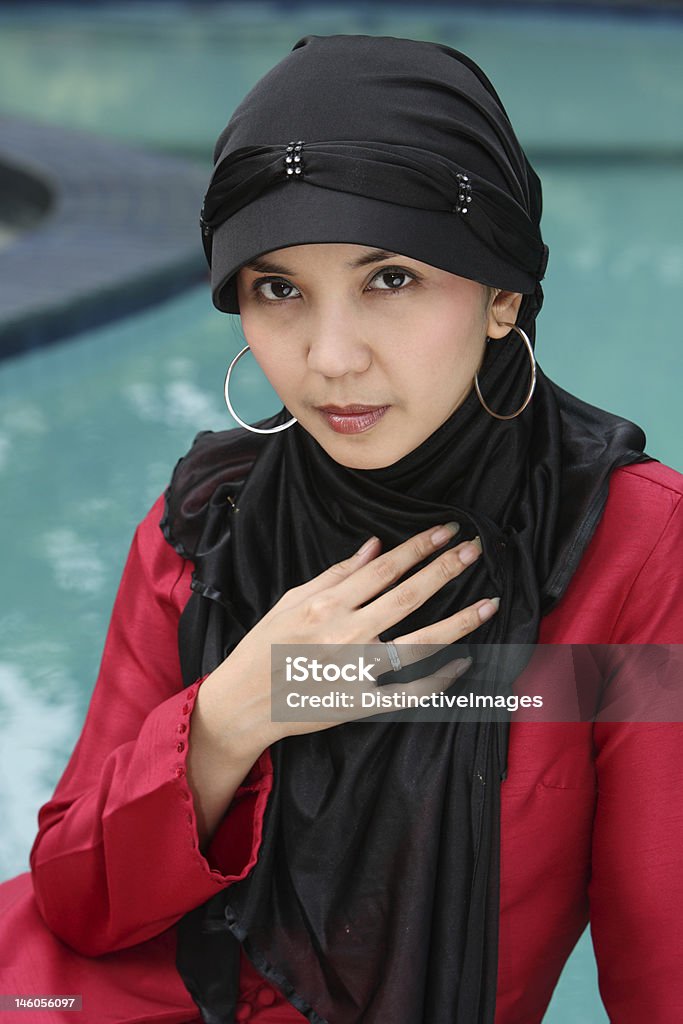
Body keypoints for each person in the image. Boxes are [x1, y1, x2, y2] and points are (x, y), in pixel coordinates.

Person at [1, 33, 682, 1024]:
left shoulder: (624, 547)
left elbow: (661, 959)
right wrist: (239, 708)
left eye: (388, 279)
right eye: (278, 288)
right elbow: (75, 894)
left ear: (500, 295)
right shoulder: (206, 520)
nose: (328, 356)